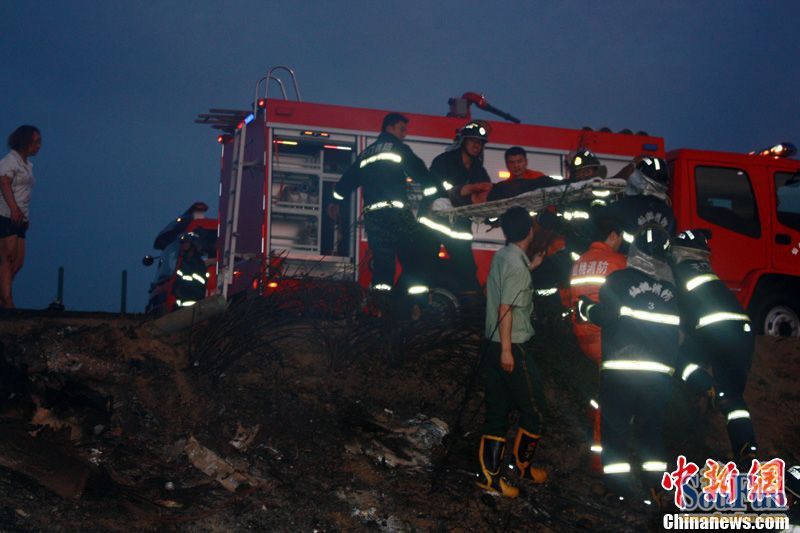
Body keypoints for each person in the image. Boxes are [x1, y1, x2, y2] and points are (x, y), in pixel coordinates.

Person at [578, 224, 680, 503]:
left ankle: (619, 492)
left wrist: (584, 308)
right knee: (651, 432)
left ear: (635, 250)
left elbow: (605, 315)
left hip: (621, 371)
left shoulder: (619, 280)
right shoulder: (672, 291)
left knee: (616, 431)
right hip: (658, 377)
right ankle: (657, 489)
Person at [670, 229, 758, 464]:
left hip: (712, 330)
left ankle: (707, 386)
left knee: (677, 359)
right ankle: (747, 451)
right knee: (732, 399)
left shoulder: (675, 270)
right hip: (743, 333)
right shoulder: (708, 271)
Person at [477, 207, 547, 498]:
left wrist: (531, 267)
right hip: (511, 345)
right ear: (529, 231)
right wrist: (508, 352)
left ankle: (489, 478)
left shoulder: (504, 256)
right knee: (535, 409)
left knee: (497, 410)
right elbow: (506, 308)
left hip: (490, 343)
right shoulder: (516, 265)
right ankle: (522, 466)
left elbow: (503, 289)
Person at [329, 113, 436, 296]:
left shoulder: (366, 153)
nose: (405, 134)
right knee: (414, 261)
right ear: (390, 128)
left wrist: (335, 202)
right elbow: (422, 175)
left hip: (374, 220)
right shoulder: (398, 148)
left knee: (383, 268)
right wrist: (434, 198)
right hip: (397, 217)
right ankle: (411, 308)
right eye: (402, 129)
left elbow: (346, 181)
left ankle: (380, 310)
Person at [568, 213, 627, 472]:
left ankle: (593, 413)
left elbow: (567, 297)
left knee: (601, 385)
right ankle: (599, 458)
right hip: (606, 337)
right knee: (612, 398)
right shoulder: (618, 262)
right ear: (612, 235)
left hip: (583, 336)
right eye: (621, 237)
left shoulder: (579, 262)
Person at [420, 120, 493, 293]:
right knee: (422, 269)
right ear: (463, 141)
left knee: (467, 270)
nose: (477, 145)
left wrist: (493, 218)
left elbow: (485, 200)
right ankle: (412, 309)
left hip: (459, 228)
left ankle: (470, 312)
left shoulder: (478, 171)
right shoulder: (443, 162)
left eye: (480, 142)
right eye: (473, 141)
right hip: (433, 223)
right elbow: (431, 189)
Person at [0, 125, 41, 309]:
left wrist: (24, 216)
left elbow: (24, 192)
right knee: (7, 257)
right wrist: (13, 208)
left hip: (19, 217)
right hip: (6, 214)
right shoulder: (10, 161)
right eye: (35, 142)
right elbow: (4, 182)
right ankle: (7, 301)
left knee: (18, 261)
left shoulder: (27, 165)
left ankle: (3, 293)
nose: (38, 146)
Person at [609, 156, 676, 248]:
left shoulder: (623, 205)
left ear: (638, 177)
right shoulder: (669, 212)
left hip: (626, 258)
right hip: (658, 260)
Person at [173, 232, 209, 309]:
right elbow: (178, 280)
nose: (183, 245)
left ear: (193, 245)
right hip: (182, 304)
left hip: (194, 304)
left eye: (186, 242)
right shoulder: (182, 263)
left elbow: (200, 284)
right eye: (182, 243)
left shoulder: (198, 263)